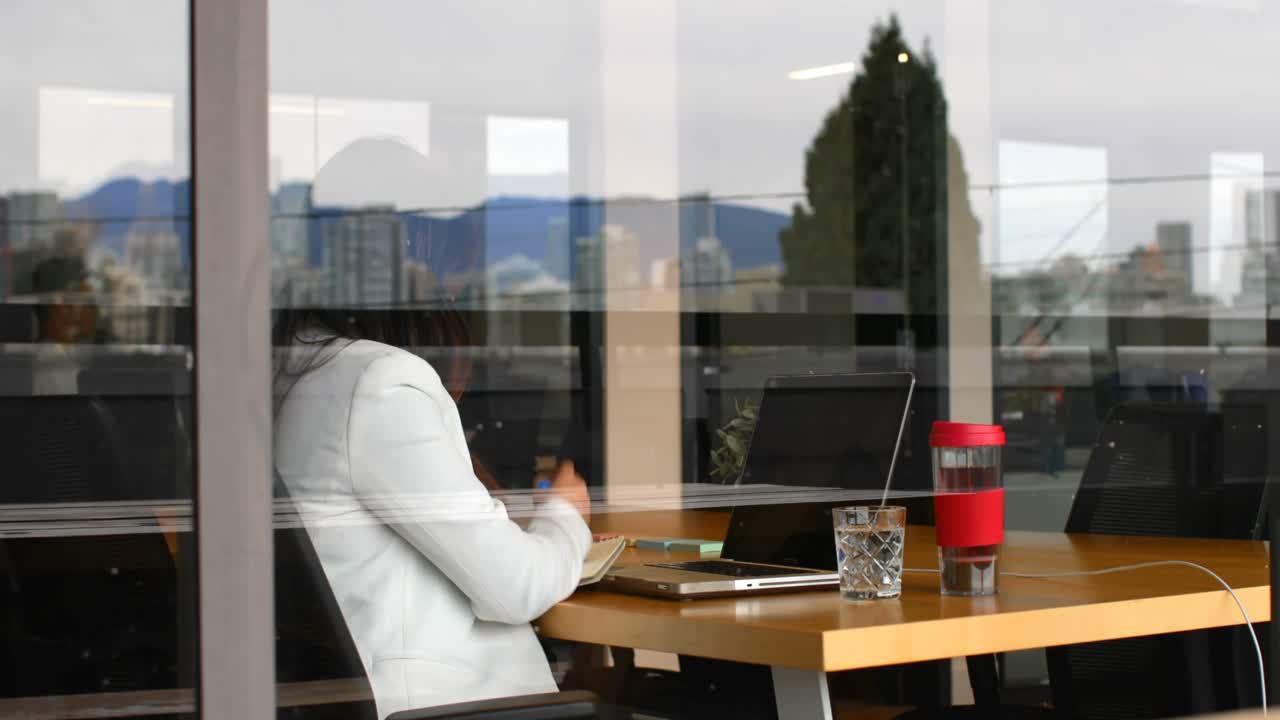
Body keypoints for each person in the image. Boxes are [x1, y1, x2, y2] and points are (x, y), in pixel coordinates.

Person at [272, 139, 592, 718]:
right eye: (451, 257)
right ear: (411, 252)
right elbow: (514, 587)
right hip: (446, 705)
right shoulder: (381, 383)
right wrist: (568, 516)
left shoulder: (292, 375)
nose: (456, 284)